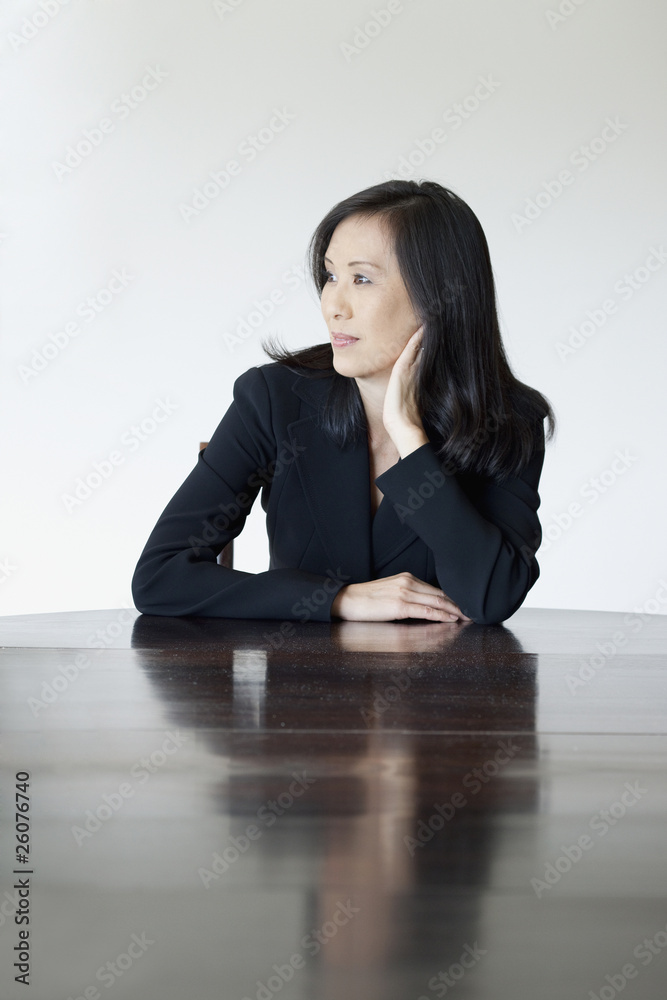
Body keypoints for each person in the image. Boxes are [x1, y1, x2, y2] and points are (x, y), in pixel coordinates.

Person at [131, 179, 556, 625]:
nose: (334, 305)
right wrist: (339, 599)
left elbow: (493, 598)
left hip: (434, 673)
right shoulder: (273, 398)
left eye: (362, 279)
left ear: (438, 298)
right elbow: (160, 577)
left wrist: (409, 438)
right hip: (301, 671)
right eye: (331, 276)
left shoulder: (509, 422)